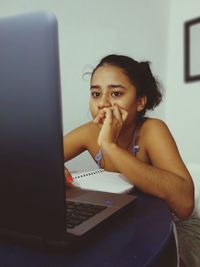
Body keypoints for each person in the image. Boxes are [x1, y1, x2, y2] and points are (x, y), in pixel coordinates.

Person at [63, 54, 199, 267]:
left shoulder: (152, 130)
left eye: (116, 93)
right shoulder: (89, 133)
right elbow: (35, 157)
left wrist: (110, 146)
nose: (103, 103)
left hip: (171, 225)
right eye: (96, 93)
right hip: (126, 221)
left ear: (140, 102)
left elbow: (184, 205)